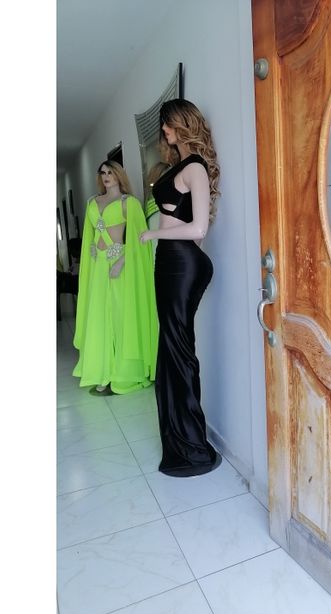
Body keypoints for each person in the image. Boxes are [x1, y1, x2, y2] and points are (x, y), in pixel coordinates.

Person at [139, 99, 221, 477]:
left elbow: (199, 229)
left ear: (183, 123)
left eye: (169, 124)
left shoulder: (195, 169)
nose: (165, 131)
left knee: (179, 351)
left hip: (181, 264)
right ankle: (182, 442)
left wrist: (153, 234)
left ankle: (193, 448)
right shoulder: (182, 166)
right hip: (173, 263)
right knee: (172, 350)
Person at [73, 160, 158, 395]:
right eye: (103, 172)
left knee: (120, 317)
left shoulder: (128, 203)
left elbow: (139, 240)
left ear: (119, 175)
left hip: (118, 263)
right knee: (99, 316)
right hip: (97, 266)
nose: (106, 176)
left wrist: (121, 262)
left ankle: (122, 372)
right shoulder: (93, 202)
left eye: (111, 172)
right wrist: (91, 251)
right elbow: (89, 235)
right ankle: (103, 371)